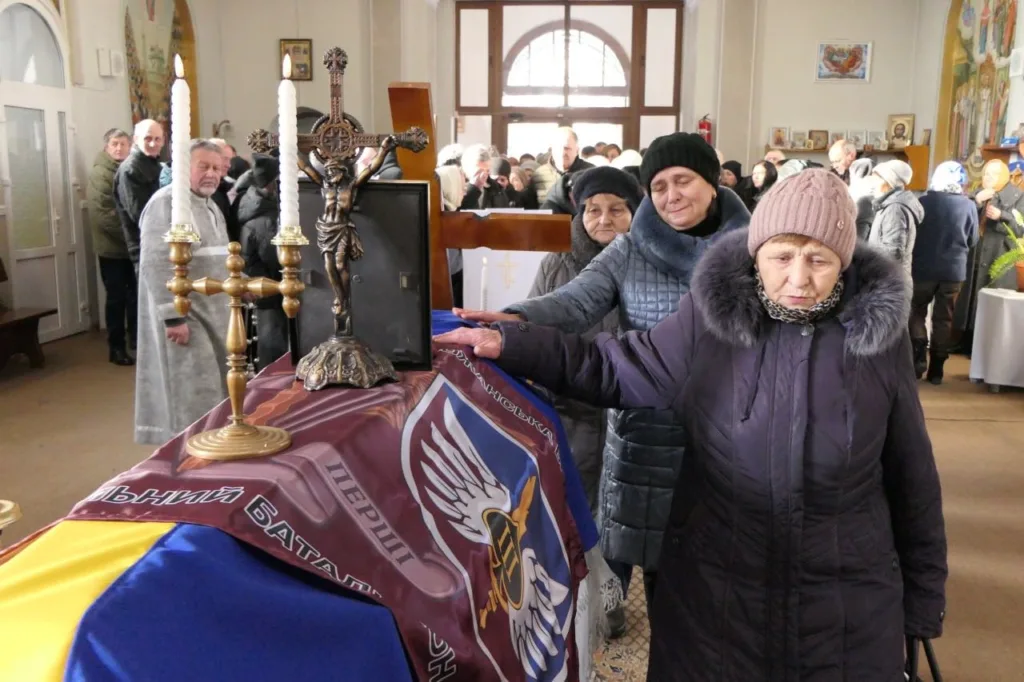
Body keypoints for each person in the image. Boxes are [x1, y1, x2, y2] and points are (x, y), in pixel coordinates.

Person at [435, 169, 947, 682]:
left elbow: (913, 476)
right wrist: (515, 342)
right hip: (719, 592)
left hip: (844, 600)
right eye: (782, 256)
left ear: (845, 261)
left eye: (818, 259)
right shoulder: (710, 321)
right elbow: (611, 366)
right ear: (756, 254)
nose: (798, 278)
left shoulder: (878, 339)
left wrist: (923, 603)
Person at [453, 132, 751, 616]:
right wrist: (512, 318)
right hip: (646, 429)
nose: (672, 195)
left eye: (683, 181)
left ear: (713, 183)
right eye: (659, 186)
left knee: (715, 583)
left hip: (731, 430)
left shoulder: (754, 249)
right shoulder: (631, 250)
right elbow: (575, 300)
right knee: (645, 559)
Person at [527, 166, 643, 637]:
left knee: (616, 517)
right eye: (593, 210)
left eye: (616, 209)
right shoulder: (557, 264)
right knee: (568, 512)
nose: (604, 219)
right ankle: (569, 603)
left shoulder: (645, 266)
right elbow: (535, 331)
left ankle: (611, 604)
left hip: (627, 413)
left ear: (635, 214)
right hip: (571, 409)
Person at [134, 140, 230, 445]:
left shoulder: (210, 204)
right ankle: (190, 449)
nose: (212, 174)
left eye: (217, 168)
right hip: (188, 314)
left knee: (216, 383)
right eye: (203, 166)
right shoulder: (166, 203)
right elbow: (155, 261)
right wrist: (173, 317)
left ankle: (214, 441)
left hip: (215, 311)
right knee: (191, 387)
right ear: (184, 167)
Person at [911, 161, 979, 383]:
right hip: (953, 271)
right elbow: (973, 239)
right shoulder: (968, 206)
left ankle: (918, 358)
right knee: (944, 318)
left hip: (922, 268)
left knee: (917, 312)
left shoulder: (922, 202)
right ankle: (937, 370)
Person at [954, 158, 1024, 352]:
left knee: (989, 302)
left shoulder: (1018, 196)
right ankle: (964, 341)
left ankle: (983, 348)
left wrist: (1002, 215)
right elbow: (961, 217)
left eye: (993, 174)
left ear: (1003, 176)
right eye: (985, 173)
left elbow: (1021, 229)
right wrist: (976, 202)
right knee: (968, 298)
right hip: (974, 254)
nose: (988, 178)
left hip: (999, 256)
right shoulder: (978, 193)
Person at [87, 128, 136, 366]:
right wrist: (134, 236)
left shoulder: (129, 169)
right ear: (107, 146)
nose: (119, 148)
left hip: (130, 248)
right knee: (117, 298)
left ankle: (136, 342)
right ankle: (116, 348)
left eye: (123, 144)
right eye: (115, 144)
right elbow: (104, 214)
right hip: (112, 249)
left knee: (135, 297)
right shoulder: (101, 173)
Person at [237, 154, 289, 370]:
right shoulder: (262, 218)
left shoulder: (255, 206)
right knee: (273, 351)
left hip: (273, 289)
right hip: (269, 292)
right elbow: (258, 257)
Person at [114, 119, 165, 272]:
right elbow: (141, 214)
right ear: (136, 140)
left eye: (157, 139)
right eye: (147, 138)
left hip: (160, 244)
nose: (153, 144)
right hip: (146, 247)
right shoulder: (131, 169)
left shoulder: (154, 164)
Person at [869, 160, 923, 285]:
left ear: (889, 182)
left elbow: (893, 252)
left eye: (877, 179)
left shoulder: (895, 208)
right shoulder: (889, 204)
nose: (873, 184)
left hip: (888, 283)